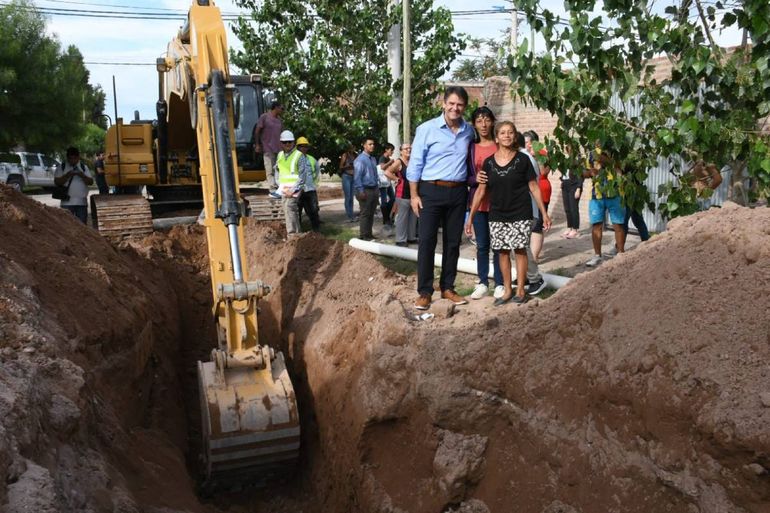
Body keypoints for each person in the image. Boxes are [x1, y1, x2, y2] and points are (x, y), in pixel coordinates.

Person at [465, 122, 551, 305]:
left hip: (520, 211)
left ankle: (521, 290)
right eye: (502, 133)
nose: (506, 136)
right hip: (497, 213)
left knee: (519, 250)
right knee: (502, 251)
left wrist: (544, 213)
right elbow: (481, 191)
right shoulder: (488, 163)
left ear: (514, 136)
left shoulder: (523, 159)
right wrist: (470, 217)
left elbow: (534, 187)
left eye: (510, 133)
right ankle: (506, 290)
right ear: (496, 137)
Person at [407, 86, 475, 310]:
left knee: (453, 242)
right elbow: (415, 163)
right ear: (443, 104)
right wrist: (414, 195)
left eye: (460, 105)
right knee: (426, 241)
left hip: (457, 192)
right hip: (430, 191)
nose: (455, 108)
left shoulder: (469, 131)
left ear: (465, 107)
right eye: (452, 103)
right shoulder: (427, 129)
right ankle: (425, 291)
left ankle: (448, 287)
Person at [466, 106, 501, 300]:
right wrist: (474, 179)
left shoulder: (500, 145)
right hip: (478, 204)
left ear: (493, 121)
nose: (484, 124)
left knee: (499, 245)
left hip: (498, 203)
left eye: (487, 119)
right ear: (474, 124)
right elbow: (465, 175)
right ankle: (482, 282)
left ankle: (500, 283)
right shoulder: (471, 147)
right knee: (482, 245)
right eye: (479, 121)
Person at [584, 143, 625, 267]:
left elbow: (621, 167)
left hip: (615, 192)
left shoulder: (616, 149)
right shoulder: (590, 153)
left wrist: (604, 158)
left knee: (618, 224)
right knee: (596, 225)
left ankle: (621, 254)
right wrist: (589, 173)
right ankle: (597, 256)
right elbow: (584, 172)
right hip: (596, 195)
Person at [523, 131, 550, 262]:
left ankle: (533, 259)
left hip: (541, 190)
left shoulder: (542, 154)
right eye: (524, 142)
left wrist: (536, 156)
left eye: (528, 142)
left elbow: (544, 172)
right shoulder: (523, 154)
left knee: (537, 225)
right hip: (526, 193)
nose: (526, 145)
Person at [383, 142, 417, 247]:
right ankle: (400, 240)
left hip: (413, 195)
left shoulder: (412, 161)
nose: (409, 150)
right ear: (401, 151)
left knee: (413, 217)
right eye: (406, 149)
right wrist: (396, 179)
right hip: (402, 194)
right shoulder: (399, 161)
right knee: (402, 218)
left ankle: (411, 237)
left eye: (410, 148)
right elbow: (387, 172)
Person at [54, 146, 94, 224]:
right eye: (70, 158)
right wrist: (68, 175)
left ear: (78, 157)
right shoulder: (62, 167)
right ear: (67, 158)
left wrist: (82, 175)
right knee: (67, 226)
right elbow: (57, 182)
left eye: (74, 158)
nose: (72, 161)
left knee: (82, 226)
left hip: (81, 203)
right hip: (66, 203)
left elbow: (90, 182)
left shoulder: (83, 167)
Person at [254, 100, 284, 198]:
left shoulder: (279, 120)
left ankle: (279, 187)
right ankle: (272, 189)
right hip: (268, 148)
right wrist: (257, 144)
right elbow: (257, 131)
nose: (282, 110)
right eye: (281, 108)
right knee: (270, 169)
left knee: (278, 169)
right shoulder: (265, 117)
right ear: (276, 107)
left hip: (278, 149)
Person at [275, 130, 303, 235]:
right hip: (284, 188)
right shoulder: (280, 155)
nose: (287, 144)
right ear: (281, 143)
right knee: (286, 209)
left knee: (290, 207)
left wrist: (293, 190)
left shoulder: (299, 155)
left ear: (293, 142)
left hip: (295, 187)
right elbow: (277, 171)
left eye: (289, 142)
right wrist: (279, 185)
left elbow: (303, 176)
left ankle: (292, 234)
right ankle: (297, 233)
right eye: (285, 142)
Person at [353, 138, 380, 240]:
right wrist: (360, 191)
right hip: (365, 189)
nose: (372, 146)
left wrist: (377, 188)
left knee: (371, 213)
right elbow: (357, 177)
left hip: (374, 188)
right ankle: (363, 235)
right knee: (365, 213)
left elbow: (375, 174)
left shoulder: (372, 159)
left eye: (373, 144)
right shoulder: (360, 160)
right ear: (364, 145)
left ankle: (369, 233)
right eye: (369, 144)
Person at [295, 136, 321, 232]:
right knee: (297, 212)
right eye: (302, 146)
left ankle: (316, 231)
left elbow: (317, 172)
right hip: (297, 190)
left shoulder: (311, 159)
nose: (304, 148)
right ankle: (298, 232)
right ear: (297, 147)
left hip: (310, 189)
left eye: (305, 146)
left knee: (314, 211)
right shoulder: (293, 159)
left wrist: (313, 184)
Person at [560, 156, 583, 239]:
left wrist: (579, 188)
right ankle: (569, 227)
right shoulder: (563, 158)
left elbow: (580, 174)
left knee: (574, 208)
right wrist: (562, 181)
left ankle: (575, 230)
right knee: (567, 209)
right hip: (565, 185)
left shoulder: (577, 159)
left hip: (574, 185)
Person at [377, 142, 396, 230]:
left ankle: (387, 216)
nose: (392, 152)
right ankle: (386, 219)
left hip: (388, 182)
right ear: (386, 150)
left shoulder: (388, 158)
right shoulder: (383, 158)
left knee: (393, 199)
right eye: (391, 150)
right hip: (383, 183)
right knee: (384, 202)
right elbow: (382, 167)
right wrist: (390, 162)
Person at [338, 144, 358, 222]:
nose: (353, 149)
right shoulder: (345, 155)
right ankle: (349, 216)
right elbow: (340, 167)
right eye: (351, 147)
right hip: (346, 176)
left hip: (353, 177)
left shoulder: (356, 155)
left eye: (354, 147)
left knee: (352, 197)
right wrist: (348, 166)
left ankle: (351, 215)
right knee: (348, 197)